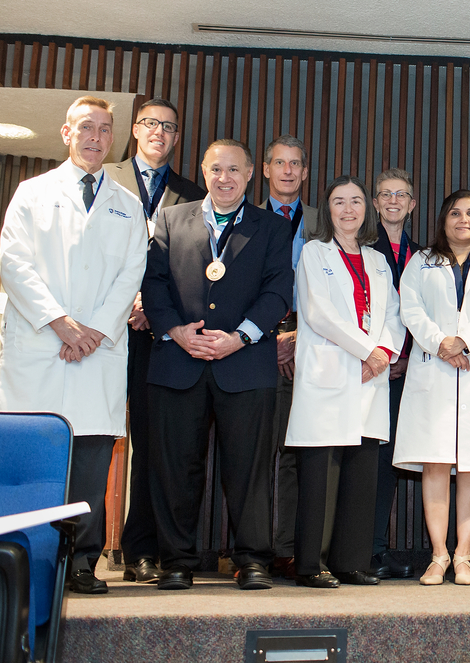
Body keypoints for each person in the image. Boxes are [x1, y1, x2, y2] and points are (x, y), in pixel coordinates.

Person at [0, 96, 148, 595]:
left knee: (89, 460)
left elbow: (132, 273)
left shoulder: (128, 206)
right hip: (43, 344)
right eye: (86, 127)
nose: (95, 137)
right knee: (34, 457)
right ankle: (23, 553)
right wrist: (62, 324)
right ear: (66, 133)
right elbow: (14, 264)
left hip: (97, 351)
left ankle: (82, 560)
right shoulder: (32, 192)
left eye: (106, 130)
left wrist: (95, 331)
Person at [142, 138, 293, 590]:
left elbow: (278, 291)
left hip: (245, 365)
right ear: (203, 172)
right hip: (177, 360)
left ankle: (251, 560)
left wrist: (240, 337)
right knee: (175, 467)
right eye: (215, 170)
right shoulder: (171, 219)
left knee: (247, 468)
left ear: (250, 174)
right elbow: (154, 283)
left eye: (233, 170)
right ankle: (177, 561)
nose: (223, 178)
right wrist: (176, 331)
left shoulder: (272, 227)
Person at [103, 97, 205, 584]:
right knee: (95, 436)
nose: (159, 132)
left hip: (158, 333)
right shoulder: (104, 178)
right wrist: (123, 305)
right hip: (100, 330)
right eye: (150, 124)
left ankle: (140, 547)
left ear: (177, 137)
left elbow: (195, 268)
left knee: (151, 441)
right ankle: (77, 547)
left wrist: (155, 311)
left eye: (169, 126)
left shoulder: (191, 193)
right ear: (135, 130)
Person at [394, 190, 470, 585]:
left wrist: (463, 340)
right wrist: (442, 342)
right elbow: (409, 308)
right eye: (454, 213)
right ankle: (438, 555)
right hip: (433, 370)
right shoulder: (421, 261)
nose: (463, 219)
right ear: (442, 220)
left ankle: (464, 554)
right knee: (434, 463)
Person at [285, 176, 403, 588]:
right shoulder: (315, 254)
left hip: (370, 377)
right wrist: (366, 351)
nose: (349, 209)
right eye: (339, 202)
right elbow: (318, 314)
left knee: (361, 473)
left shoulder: (377, 260)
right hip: (330, 371)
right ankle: (310, 564)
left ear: (366, 209)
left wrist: (383, 353)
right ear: (328, 209)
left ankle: (350, 562)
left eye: (356, 201)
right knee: (322, 476)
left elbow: (392, 316)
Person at [258, 135, 319, 579]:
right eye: (279, 163)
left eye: (296, 164)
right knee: (258, 450)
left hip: (315, 344)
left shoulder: (324, 220)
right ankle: (256, 546)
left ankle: (292, 546)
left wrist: (300, 334)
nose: (287, 171)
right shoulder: (244, 216)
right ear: (265, 169)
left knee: (300, 451)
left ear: (304, 172)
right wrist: (270, 335)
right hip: (254, 344)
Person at [368, 168, 421, 580]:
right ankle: (359, 549)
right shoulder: (363, 248)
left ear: (412, 204)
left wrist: (408, 357)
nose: (392, 200)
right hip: (370, 368)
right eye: (384, 194)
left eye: (400, 194)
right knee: (364, 458)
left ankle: (377, 549)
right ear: (374, 202)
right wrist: (384, 356)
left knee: (388, 463)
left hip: (411, 372)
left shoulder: (423, 256)